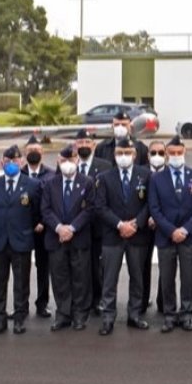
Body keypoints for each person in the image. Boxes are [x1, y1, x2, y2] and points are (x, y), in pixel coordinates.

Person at [93, 138, 152, 334]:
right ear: (114, 155)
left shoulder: (146, 175)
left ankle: (134, 315)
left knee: (137, 277)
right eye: (120, 153)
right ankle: (108, 317)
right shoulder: (104, 177)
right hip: (113, 235)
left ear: (134, 155)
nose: (123, 157)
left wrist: (135, 224)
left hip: (137, 235)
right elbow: (100, 206)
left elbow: (150, 204)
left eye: (127, 153)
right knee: (109, 279)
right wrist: (119, 224)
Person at [149, 137, 192, 332]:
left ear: (184, 153)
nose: (175, 156)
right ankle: (170, 315)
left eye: (178, 153)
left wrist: (185, 230)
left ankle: (187, 314)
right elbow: (154, 209)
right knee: (167, 277)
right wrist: (171, 230)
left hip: (189, 236)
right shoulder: (157, 179)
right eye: (171, 153)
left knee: (188, 277)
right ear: (166, 155)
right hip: (166, 236)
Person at [0, 145, 39, 335]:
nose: (12, 164)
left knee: (21, 283)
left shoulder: (32, 185)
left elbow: (36, 212)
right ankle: (0, 319)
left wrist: (23, 228)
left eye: (16, 161)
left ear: (22, 162)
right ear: (2, 163)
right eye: (8, 161)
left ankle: (19, 319)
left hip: (21, 240)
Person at [41, 145, 94, 332]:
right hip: (56, 239)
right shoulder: (50, 183)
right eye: (64, 161)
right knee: (59, 278)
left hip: (78, 238)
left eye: (72, 160)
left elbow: (89, 210)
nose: (68, 164)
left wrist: (71, 228)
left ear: (78, 161)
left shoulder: (87, 182)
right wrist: (59, 228)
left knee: (80, 278)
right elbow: (45, 210)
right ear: (58, 161)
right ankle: (63, 314)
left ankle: (80, 315)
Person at [75, 130, 110, 316]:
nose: (84, 145)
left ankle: (98, 300)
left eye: (87, 141)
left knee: (97, 267)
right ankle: (81, 300)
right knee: (80, 266)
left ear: (94, 145)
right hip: (76, 226)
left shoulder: (104, 166)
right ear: (75, 145)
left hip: (97, 226)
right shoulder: (69, 164)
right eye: (80, 141)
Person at [21, 136, 53, 318]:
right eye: (30, 149)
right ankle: (21, 304)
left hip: (44, 229)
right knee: (22, 269)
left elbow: (52, 202)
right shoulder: (19, 174)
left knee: (43, 268)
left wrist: (43, 222)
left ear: (43, 152)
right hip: (24, 229)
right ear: (25, 152)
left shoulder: (51, 174)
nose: (34, 152)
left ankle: (42, 303)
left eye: (37, 150)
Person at [139, 140, 168, 318]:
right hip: (143, 225)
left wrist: (159, 219)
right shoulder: (140, 173)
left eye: (161, 152)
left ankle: (164, 302)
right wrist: (146, 218)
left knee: (166, 266)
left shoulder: (172, 171)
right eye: (153, 152)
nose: (157, 156)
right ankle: (141, 301)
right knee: (142, 265)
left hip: (165, 225)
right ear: (148, 154)